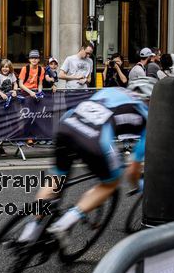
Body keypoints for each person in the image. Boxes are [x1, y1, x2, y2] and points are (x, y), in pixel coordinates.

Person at [18, 77, 156, 245]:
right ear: (150, 99)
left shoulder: (111, 90)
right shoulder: (147, 115)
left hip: (66, 127)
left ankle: (30, 230)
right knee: (111, 182)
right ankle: (64, 224)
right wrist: (137, 186)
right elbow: (133, 168)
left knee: (57, 178)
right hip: (95, 139)